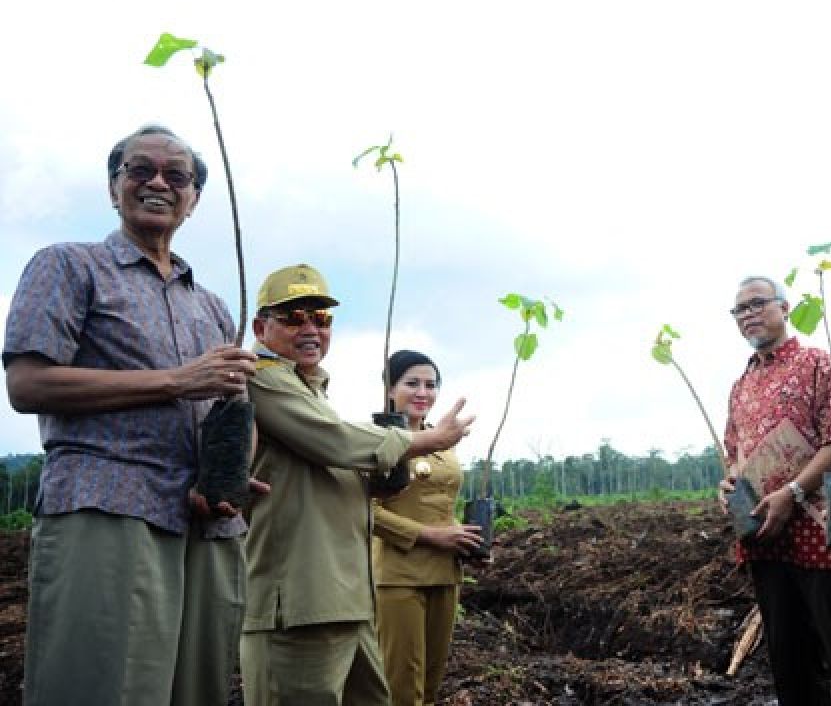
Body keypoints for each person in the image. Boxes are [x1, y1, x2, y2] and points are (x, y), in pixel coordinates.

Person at [3, 124, 259, 706]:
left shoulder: (212, 306)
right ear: (113, 187)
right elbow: (28, 382)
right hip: (109, 505)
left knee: (196, 689)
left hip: (204, 522)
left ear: (193, 200)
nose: (158, 183)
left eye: (176, 175)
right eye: (139, 170)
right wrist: (176, 380)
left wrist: (227, 476)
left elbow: (233, 405)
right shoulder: (70, 267)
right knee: (106, 686)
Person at [240, 265, 475, 706]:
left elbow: (330, 462)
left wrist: (372, 486)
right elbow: (336, 442)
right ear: (260, 326)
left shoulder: (311, 390)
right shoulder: (262, 376)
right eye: (294, 317)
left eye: (321, 319)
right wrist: (424, 440)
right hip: (302, 600)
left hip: (349, 596)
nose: (310, 328)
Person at [719, 276, 831, 706]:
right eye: (739, 310)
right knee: (788, 656)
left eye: (758, 303)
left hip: (821, 531)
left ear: (785, 308)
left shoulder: (817, 365)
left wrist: (794, 492)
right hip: (766, 538)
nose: (749, 314)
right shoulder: (740, 387)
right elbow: (734, 454)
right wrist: (728, 485)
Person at [372, 350, 483, 706]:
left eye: (431, 385)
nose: (423, 392)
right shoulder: (376, 442)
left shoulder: (444, 444)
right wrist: (430, 535)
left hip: (445, 574)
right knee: (402, 686)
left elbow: (443, 508)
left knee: (432, 683)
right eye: (412, 383)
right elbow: (365, 511)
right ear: (390, 390)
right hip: (398, 576)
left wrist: (471, 544)